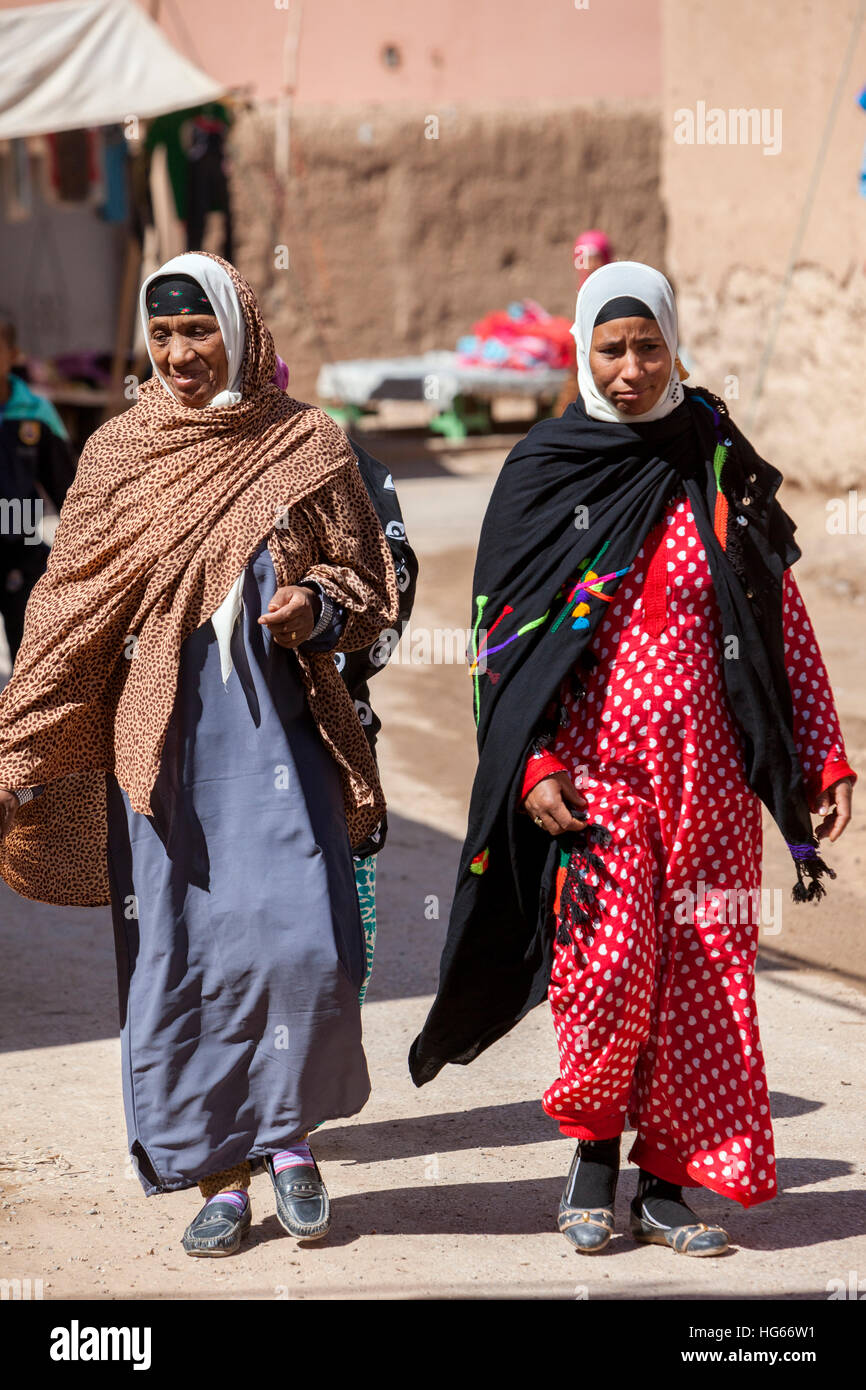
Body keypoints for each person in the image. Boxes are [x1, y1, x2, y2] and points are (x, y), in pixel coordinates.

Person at [410, 261, 855, 1257]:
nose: (628, 367)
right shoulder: (546, 469)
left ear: (670, 343)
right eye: (609, 348)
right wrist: (530, 767)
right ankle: (590, 1157)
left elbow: (776, 614)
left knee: (700, 972)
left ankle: (662, 1184)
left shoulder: (710, 458)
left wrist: (818, 754)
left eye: (645, 345)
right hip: (595, 776)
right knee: (606, 967)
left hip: (708, 779)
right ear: (581, 349)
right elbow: (502, 644)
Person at [0, 251, 400, 1258]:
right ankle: (219, 1175)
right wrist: (20, 736)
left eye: (198, 329)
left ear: (239, 326)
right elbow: (66, 606)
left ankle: (290, 1140)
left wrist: (315, 606)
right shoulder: (116, 453)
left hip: (278, 738)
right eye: (164, 333)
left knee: (300, 943)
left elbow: (368, 584)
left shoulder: (305, 442)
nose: (179, 353)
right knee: (184, 963)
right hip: (162, 747)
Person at [0, 317, 77, 664]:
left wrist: (80, 548)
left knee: (29, 654)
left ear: (13, 355)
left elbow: (68, 488)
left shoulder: (35, 413)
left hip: (23, 543)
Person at [553, 229, 614, 417]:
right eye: (582, 257)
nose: (587, 264)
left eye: (593, 257)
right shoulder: (585, 289)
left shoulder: (612, 288)